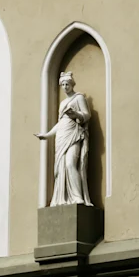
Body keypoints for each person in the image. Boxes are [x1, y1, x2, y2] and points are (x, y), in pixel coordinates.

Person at [35, 71, 92, 207]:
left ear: (72, 85)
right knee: (61, 168)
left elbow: (87, 115)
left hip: (74, 134)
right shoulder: (62, 103)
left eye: (68, 84)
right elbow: (60, 124)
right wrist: (47, 135)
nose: (65, 87)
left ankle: (78, 197)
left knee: (70, 164)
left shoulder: (79, 98)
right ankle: (63, 198)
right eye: (63, 84)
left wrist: (75, 114)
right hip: (62, 135)